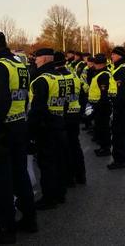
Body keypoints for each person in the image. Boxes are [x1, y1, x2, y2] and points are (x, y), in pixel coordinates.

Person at [0, 31, 36, 244]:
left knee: (1, 183)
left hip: (2, 130)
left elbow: (0, 102)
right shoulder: (19, 64)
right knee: (20, 176)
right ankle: (30, 220)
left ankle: (6, 229)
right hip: (19, 125)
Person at [28, 48, 68, 210]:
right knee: (59, 161)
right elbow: (64, 102)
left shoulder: (41, 80)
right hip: (59, 123)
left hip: (46, 128)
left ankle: (49, 198)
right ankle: (60, 193)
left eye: (36, 59)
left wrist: (30, 133)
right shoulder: (60, 76)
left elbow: (37, 109)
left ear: (43, 59)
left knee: (47, 164)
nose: (35, 61)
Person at [53, 52, 86, 185]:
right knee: (75, 145)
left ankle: (69, 178)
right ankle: (81, 176)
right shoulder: (74, 75)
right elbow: (82, 93)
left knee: (63, 148)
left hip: (63, 115)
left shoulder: (56, 78)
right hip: (75, 114)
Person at [108, 46, 125, 169]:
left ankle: (120, 160)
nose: (112, 57)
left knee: (119, 134)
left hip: (121, 107)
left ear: (119, 55)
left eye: (113, 55)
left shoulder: (121, 70)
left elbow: (121, 93)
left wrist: (116, 108)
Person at [90, 53, 117, 157]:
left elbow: (104, 93)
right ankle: (102, 147)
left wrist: (100, 106)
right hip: (99, 105)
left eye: (95, 64)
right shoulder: (100, 73)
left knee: (104, 128)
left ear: (100, 64)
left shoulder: (103, 75)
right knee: (100, 127)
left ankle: (105, 149)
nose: (94, 66)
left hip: (102, 106)